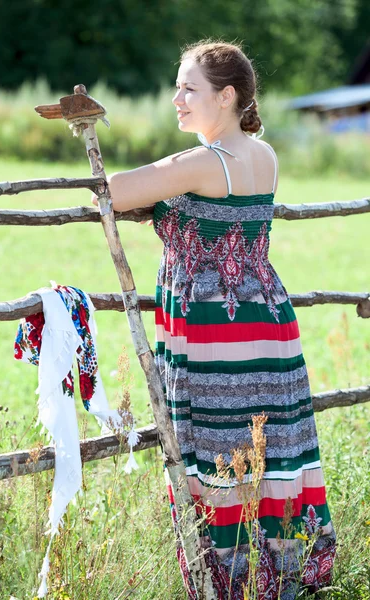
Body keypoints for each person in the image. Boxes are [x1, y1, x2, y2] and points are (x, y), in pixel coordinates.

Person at [92, 40, 337, 599]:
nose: (176, 99)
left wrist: (148, 203)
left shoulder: (204, 162)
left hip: (213, 331)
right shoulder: (265, 155)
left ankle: (231, 584)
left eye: (189, 89)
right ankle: (283, 579)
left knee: (219, 447)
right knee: (270, 446)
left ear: (226, 97)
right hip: (266, 322)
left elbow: (111, 191)